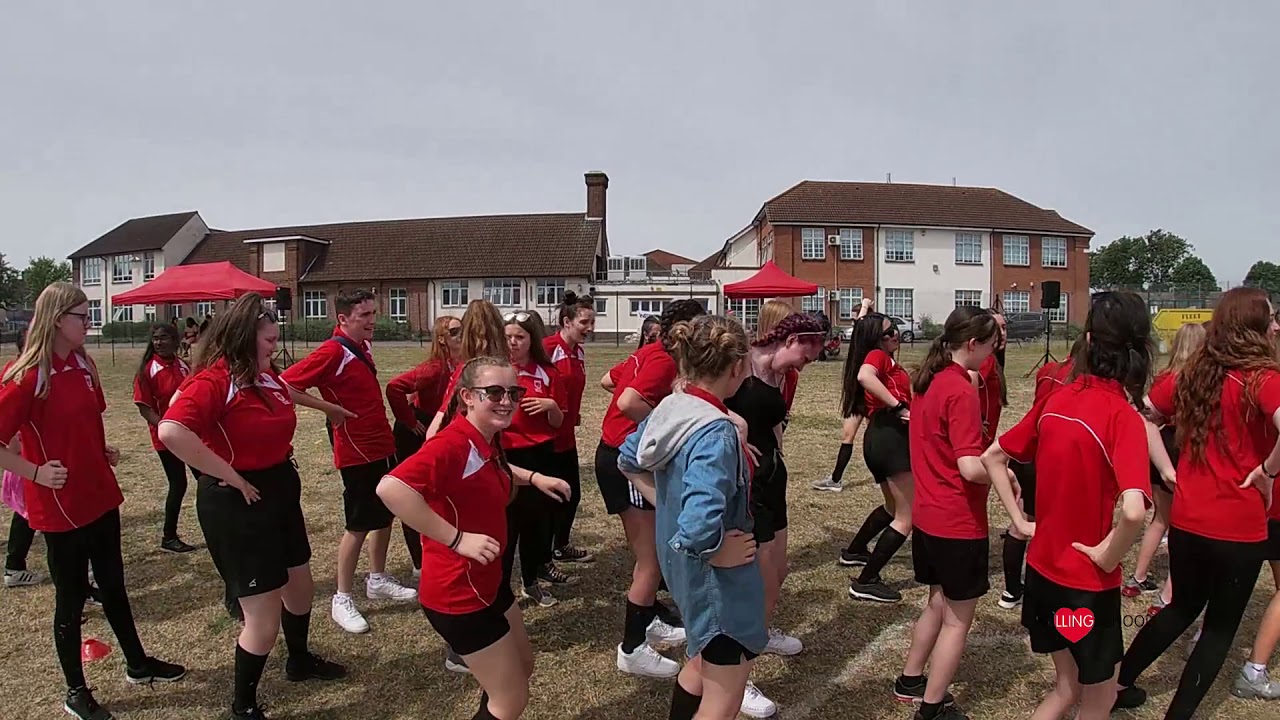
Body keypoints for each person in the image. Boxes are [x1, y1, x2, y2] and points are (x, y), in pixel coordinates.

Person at [0, 282, 185, 720]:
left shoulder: (84, 364)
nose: (89, 324)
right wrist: (36, 473)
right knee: (70, 600)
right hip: (60, 503)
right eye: (83, 316)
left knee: (114, 585)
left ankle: (138, 665)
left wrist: (99, 450)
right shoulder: (27, 373)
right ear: (57, 319)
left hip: (99, 491)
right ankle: (75, 690)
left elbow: (85, 419)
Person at [160, 293, 348, 719]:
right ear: (245, 339)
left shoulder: (264, 375)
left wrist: (329, 408)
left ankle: (299, 660)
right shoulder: (214, 380)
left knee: (300, 587)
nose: (274, 348)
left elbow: (289, 393)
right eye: (268, 340)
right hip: (238, 501)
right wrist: (230, 474)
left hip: (279, 488)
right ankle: (242, 705)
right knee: (261, 619)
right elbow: (172, 429)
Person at [982, 290, 1153, 720]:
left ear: (1089, 342)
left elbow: (993, 457)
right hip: (1085, 590)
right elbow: (1134, 511)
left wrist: (1021, 522)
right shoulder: (1123, 417)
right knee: (1099, 696)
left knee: (1066, 688)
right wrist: (1107, 555)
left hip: (1042, 578)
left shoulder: (1056, 398)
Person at [1116, 287, 1280, 717]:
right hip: (1238, 525)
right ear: (1254, 326)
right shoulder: (1263, 378)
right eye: (1271, 317)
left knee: (1180, 608)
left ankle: (1119, 683)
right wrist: (1269, 470)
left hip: (1189, 519)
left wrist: (1168, 471)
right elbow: (1146, 417)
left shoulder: (1192, 372)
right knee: (1219, 630)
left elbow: (1144, 415)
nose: (1277, 324)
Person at [376, 356, 570, 720]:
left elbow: (492, 466)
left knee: (521, 670)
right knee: (511, 699)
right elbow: (391, 488)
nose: (507, 400)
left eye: (514, 392)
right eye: (494, 392)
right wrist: (456, 538)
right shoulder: (451, 443)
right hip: (458, 592)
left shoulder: (483, 438)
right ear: (467, 396)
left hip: (488, 582)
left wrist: (534, 478)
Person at [616, 314, 764, 720]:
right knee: (723, 700)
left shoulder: (672, 407)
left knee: (700, 662)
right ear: (736, 367)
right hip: (717, 579)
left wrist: (667, 503)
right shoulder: (715, 432)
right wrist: (713, 549)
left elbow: (629, 457)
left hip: (681, 568)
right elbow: (699, 525)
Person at [895, 307, 1021, 720]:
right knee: (957, 621)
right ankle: (931, 708)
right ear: (972, 344)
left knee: (937, 602)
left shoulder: (926, 381)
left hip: (928, 516)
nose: (992, 354)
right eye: (990, 345)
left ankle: (911, 679)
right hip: (956, 521)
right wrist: (1003, 472)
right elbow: (969, 466)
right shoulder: (960, 389)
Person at [282, 289, 418, 635]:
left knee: (386, 511)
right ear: (343, 319)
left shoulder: (363, 346)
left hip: (380, 442)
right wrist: (329, 409)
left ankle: (377, 577)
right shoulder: (332, 350)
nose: (373, 320)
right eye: (364, 315)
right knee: (358, 524)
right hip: (356, 450)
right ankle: (341, 597)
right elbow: (285, 385)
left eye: (374, 313)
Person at [597, 300, 706, 678]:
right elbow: (627, 401)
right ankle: (632, 650)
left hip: (619, 456)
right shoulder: (663, 360)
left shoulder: (649, 353)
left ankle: (648, 620)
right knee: (651, 561)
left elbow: (608, 382)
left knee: (654, 550)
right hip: (625, 462)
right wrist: (667, 425)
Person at [723, 312, 824, 717]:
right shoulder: (740, 362)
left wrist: (778, 454)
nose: (805, 364)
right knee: (754, 584)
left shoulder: (783, 375)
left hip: (772, 479)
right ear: (791, 338)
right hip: (744, 486)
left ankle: (760, 636)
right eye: (806, 354)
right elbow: (690, 394)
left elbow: (775, 419)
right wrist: (735, 429)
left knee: (777, 572)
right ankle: (737, 678)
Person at [1123, 323, 1205, 607]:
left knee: (1160, 518)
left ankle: (1137, 577)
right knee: (1185, 527)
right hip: (1181, 453)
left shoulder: (1164, 377)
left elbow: (1144, 412)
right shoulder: (1196, 380)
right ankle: (1167, 595)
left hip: (1159, 450)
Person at [997, 337, 1082, 611]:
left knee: (1023, 519)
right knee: (1043, 524)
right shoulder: (1078, 382)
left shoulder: (1047, 370)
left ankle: (1012, 590)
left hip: (1028, 447)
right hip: (1049, 453)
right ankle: (1034, 590)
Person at [841, 312, 914, 603]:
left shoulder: (884, 357)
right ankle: (866, 580)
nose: (895, 334)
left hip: (881, 437)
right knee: (908, 516)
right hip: (889, 437)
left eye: (894, 329)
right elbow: (864, 376)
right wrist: (898, 406)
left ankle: (856, 550)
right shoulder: (877, 355)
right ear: (875, 339)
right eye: (887, 332)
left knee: (893, 506)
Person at [386, 314, 463, 581]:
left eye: (461, 330)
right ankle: (419, 563)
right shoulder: (434, 368)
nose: (460, 336)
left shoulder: (458, 365)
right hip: (418, 431)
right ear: (441, 339)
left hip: (437, 427)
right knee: (415, 493)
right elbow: (395, 387)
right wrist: (409, 421)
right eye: (454, 332)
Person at [501, 311, 569, 605]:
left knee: (535, 525)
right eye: (508, 337)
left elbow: (558, 422)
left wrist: (550, 404)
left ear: (533, 339)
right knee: (506, 528)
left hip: (540, 455)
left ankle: (531, 581)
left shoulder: (548, 373)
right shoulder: (498, 371)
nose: (513, 343)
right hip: (506, 454)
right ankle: (502, 590)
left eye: (520, 337)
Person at [132, 323, 197, 553]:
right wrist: (166, 427)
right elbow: (144, 408)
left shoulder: (182, 365)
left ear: (175, 340)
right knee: (178, 484)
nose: (159, 343)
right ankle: (168, 537)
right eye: (155, 339)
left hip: (190, 434)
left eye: (164, 338)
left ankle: (219, 527)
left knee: (207, 479)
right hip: (167, 438)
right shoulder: (147, 370)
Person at [544, 292, 596, 564]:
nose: (589, 328)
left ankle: (560, 546)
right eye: (584, 322)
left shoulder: (578, 351)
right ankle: (545, 555)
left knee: (571, 494)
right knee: (551, 496)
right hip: (546, 437)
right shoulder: (547, 348)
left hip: (566, 436)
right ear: (567, 321)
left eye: (592, 322)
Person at [815, 297, 878, 492]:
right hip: (857, 392)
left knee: (873, 435)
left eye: (855, 319)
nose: (854, 323)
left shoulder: (869, 336)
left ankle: (880, 476)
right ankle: (836, 479)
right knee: (849, 435)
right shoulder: (865, 337)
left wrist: (866, 305)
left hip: (867, 391)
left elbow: (860, 325)